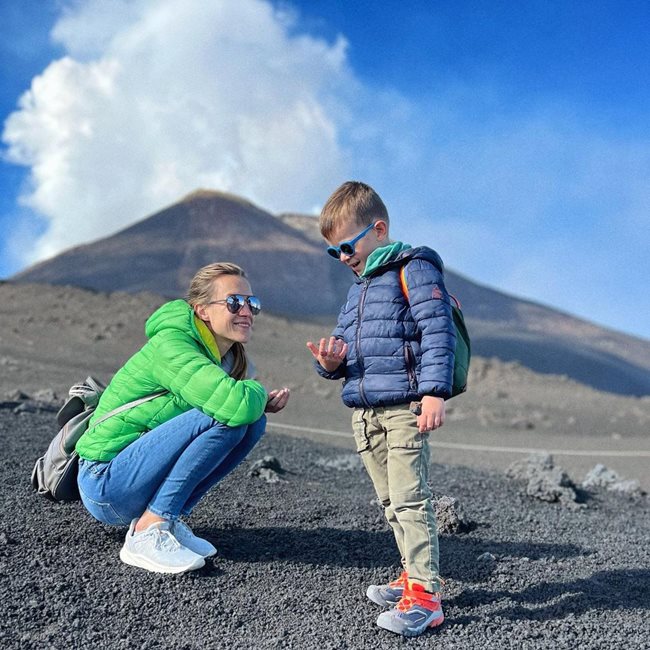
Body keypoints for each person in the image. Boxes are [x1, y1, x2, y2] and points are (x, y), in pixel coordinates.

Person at [307, 181, 455, 637]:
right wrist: (332, 364)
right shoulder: (359, 290)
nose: (343, 258)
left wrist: (434, 392)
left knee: (411, 500)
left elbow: (437, 330)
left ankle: (426, 598)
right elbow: (352, 350)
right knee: (390, 502)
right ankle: (411, 575)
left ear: (379, 229)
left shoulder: (415, 268)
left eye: (346, 246)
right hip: (366, 413)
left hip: (404, 409)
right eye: (334, 253)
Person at [76, 262, 290, 574]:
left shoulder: (223, 359)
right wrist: (254, 392)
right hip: (105, 483)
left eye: (251, 303)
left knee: (252, 422)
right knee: (229, 416)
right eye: (234, 302)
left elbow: (239, 409)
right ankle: (148, 531)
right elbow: (235, 404)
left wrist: (256, 406)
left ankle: (167, 518)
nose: (245, 311)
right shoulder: (172, 345)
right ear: (203, 310)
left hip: (134, 476)